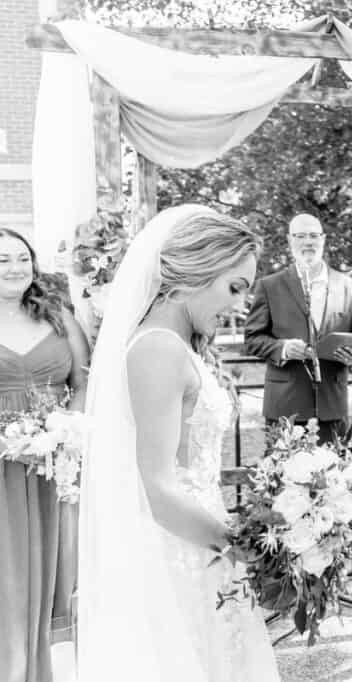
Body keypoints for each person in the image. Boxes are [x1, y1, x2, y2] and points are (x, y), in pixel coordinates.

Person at [77, 205, 280, 681]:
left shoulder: (176, 342)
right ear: (197, 270)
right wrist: (248, 545)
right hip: (178, 553)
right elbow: (159, 490)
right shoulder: (157, 349)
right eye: (234, 288)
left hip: (203, 539)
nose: (239, 305)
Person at [0, 228, 89, 682]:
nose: (15, 268)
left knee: (59, 565)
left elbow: (83, 381)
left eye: (21, 258)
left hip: (56, 463)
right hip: (3, 463)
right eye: (3, 260)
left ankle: (52, 667)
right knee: (9, 569)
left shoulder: (58, 318)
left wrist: (66, 429)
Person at [245, 213, 352, 445]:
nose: (308, 242)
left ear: (323, 239)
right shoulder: (269, 286)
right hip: (284, 407)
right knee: (282, 479)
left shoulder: (351, 288)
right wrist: (282, 348)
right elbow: (252, 339)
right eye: (300, 236)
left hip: (332, 407)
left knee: (336, 477)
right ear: (290, 241)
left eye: (313, 235)